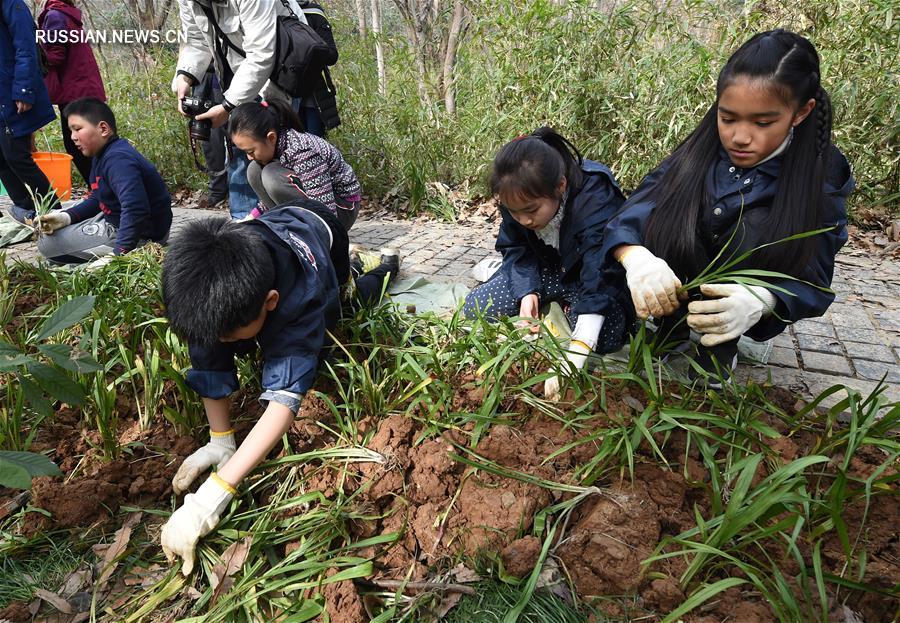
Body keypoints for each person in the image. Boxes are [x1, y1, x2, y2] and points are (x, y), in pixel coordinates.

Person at [158, 200, 400, 575]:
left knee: (343, 307)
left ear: (271, 302)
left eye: (229, 336)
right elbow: (206, 355)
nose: (220, 343)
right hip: (275, 230)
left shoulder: (300, 298)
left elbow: (285, 400)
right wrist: (220, 439)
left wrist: (215, 494)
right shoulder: (212, 287)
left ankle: (383, 268)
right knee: (219, 335)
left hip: (324, 230)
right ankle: (360, 267)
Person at [601, 29, 854, 386]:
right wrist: (635, 257)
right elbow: (637, 208)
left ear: (800, 113)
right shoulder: (700, 152)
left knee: (747, 227)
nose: (740, 137)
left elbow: (815, 280)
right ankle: (670, 320)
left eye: (763, 122)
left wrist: (762, 299)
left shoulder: (820, 174)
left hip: (739, 295)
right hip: (681, 277)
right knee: (673, 211)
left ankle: (719, 344)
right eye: (728, 118)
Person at [462, 128, 631, 400]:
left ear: (560, 186)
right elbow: (516, 247)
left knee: (607, 334)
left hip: (587, 275)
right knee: (475, 308)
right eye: (513, 212)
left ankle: (564, 306)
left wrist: (580, 344)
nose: (524, 221)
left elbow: (599, 265)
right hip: (547, 270)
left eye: (530, 211)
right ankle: (536, 293)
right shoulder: (514, 197)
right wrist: (527, 292)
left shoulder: (594, 195)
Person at [172, 0, 309, 220]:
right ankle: (245, 224)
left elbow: (262, 54)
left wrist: (227, 106)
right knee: (241, 152)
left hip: (280, 72)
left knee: (278, 156)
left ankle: (297, 224)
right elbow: (196, 41)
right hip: (238, 76)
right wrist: (185, 77)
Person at [35, 98, 172, 263]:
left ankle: (125, 248)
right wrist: (67, 217)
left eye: (77, 129)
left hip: (144, 235)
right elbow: (98, 197)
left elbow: (135, 209)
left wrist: (118, 255)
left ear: (103, 129)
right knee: (52, 229)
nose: (73, 137)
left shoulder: (118, 160)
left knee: (46, 244)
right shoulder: (103, 155)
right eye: (71, 131)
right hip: (118, 220)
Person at [229, 100, 361, 231]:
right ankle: (284, 225)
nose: (249, 157)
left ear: (271, 138)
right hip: (320, 204)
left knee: (271, 175)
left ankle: (305, 230)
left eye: (251, 151)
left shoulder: (302, 151)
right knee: (254, 169)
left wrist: (326, 238)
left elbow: (325, 205)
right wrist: (250, 219)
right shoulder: (278, 146)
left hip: (341, 209)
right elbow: (274, 196)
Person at [38, 0, 106, 188]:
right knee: (90, 145)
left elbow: (56, 55)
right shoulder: (66, 14)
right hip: (83, 89)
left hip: (75, 92)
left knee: (78, 146)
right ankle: (101, 191)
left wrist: (34, 49)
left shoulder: (54, 16)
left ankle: (100, 191)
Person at [1, 0, 57, 224]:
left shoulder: (11, 3)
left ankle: (53, 211)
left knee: (16, 155)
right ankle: (26, 210)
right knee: (2, 158)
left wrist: (23, 89)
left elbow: (25, 45)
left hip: (11, 91)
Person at [294, 0, 340, 137]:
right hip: (283, 96)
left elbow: (332, 55)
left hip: (313, 95)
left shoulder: (313, 13)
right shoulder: (272, 12)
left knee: (315, 144)